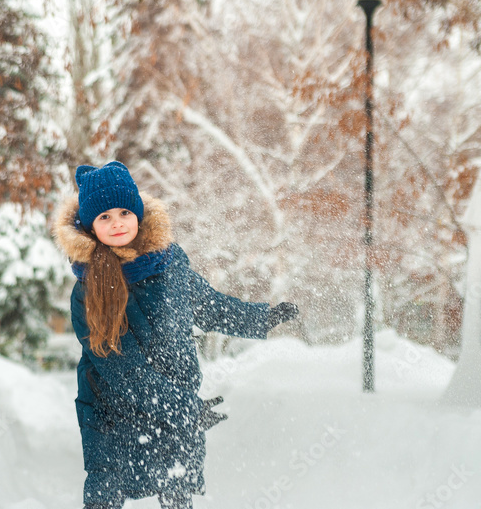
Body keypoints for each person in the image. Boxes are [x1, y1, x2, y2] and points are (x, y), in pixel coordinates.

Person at [53, 161, 299, 509]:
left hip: (175, 391)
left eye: (124, 212)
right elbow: (124, 368)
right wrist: (185, 408)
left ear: (138, 214)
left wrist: (260, 318)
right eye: (104, 217)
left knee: (176, 489)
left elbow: (209, 305)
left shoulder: (168, 264)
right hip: (113, 411)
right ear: (90, 227)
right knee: (106, 494)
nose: (117, 222)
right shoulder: (88, 290)